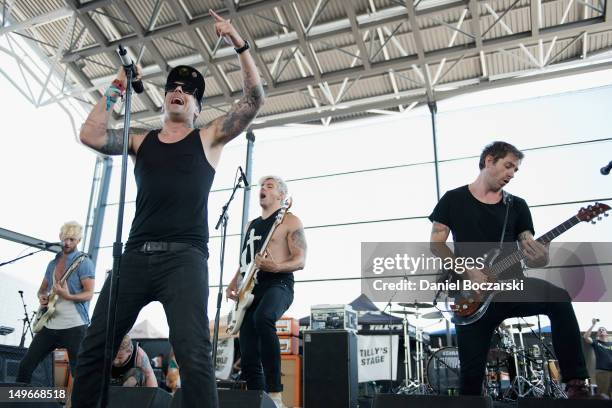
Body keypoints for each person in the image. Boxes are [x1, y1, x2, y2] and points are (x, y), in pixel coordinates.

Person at [70, 8, 264, 408]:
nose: (181, 91)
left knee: (194, 355)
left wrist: (239, 44)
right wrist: (121, 82)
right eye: (174, 87)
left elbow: (254, 100)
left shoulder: (209, 138)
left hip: (185, 260)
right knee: (93, 349)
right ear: (164, 99)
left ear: (196, 108)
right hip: (135, 258)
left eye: (190, 92)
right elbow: (90, 133)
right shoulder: (141, 141)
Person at [429, 141, 590, 397]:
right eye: (508, 166)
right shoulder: (453, 199)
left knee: (558, 298)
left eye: (516, 170)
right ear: (489, 160)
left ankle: (575, 383)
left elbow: (531, 250)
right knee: (470, 380)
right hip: (471, 297)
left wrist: (540, 257)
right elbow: (436, 244)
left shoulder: (517, 206)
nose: (512, 174)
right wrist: (468, 271)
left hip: (512, 286)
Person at [226, 176, 306, 408]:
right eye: (262, 186)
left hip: (279, 284)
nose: (263, 189)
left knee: (264, 318)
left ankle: (275, 393)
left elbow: (300, 260)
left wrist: (277, 266)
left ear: (281, 196)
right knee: (248, 345)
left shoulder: (289, 221)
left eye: (269, 186)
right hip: (250, 290)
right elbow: (247, 261)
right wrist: (234, 282)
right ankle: (256, 397)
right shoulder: (251, 225)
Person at [16, 221, 95, 384]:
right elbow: (42, 289)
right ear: (60, 237)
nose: (67, 243)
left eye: (72, 240)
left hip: (75, 326)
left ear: (78, 241)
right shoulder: (52, 263)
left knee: (78, 373)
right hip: (50, 324)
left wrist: (68, 295)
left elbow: (88, 294)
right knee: (25, 365)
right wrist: (42, 296)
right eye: (65, 239)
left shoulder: (83, 262)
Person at [583, 318, 612, 397]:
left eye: (603, 329)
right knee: (604, 395)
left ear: (606, 333)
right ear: (598, 334)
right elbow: (585, 337)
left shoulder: (611, 344)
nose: (601, 330)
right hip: (602, 372)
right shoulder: (596, 342)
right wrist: (593, 325)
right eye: (599, 330)